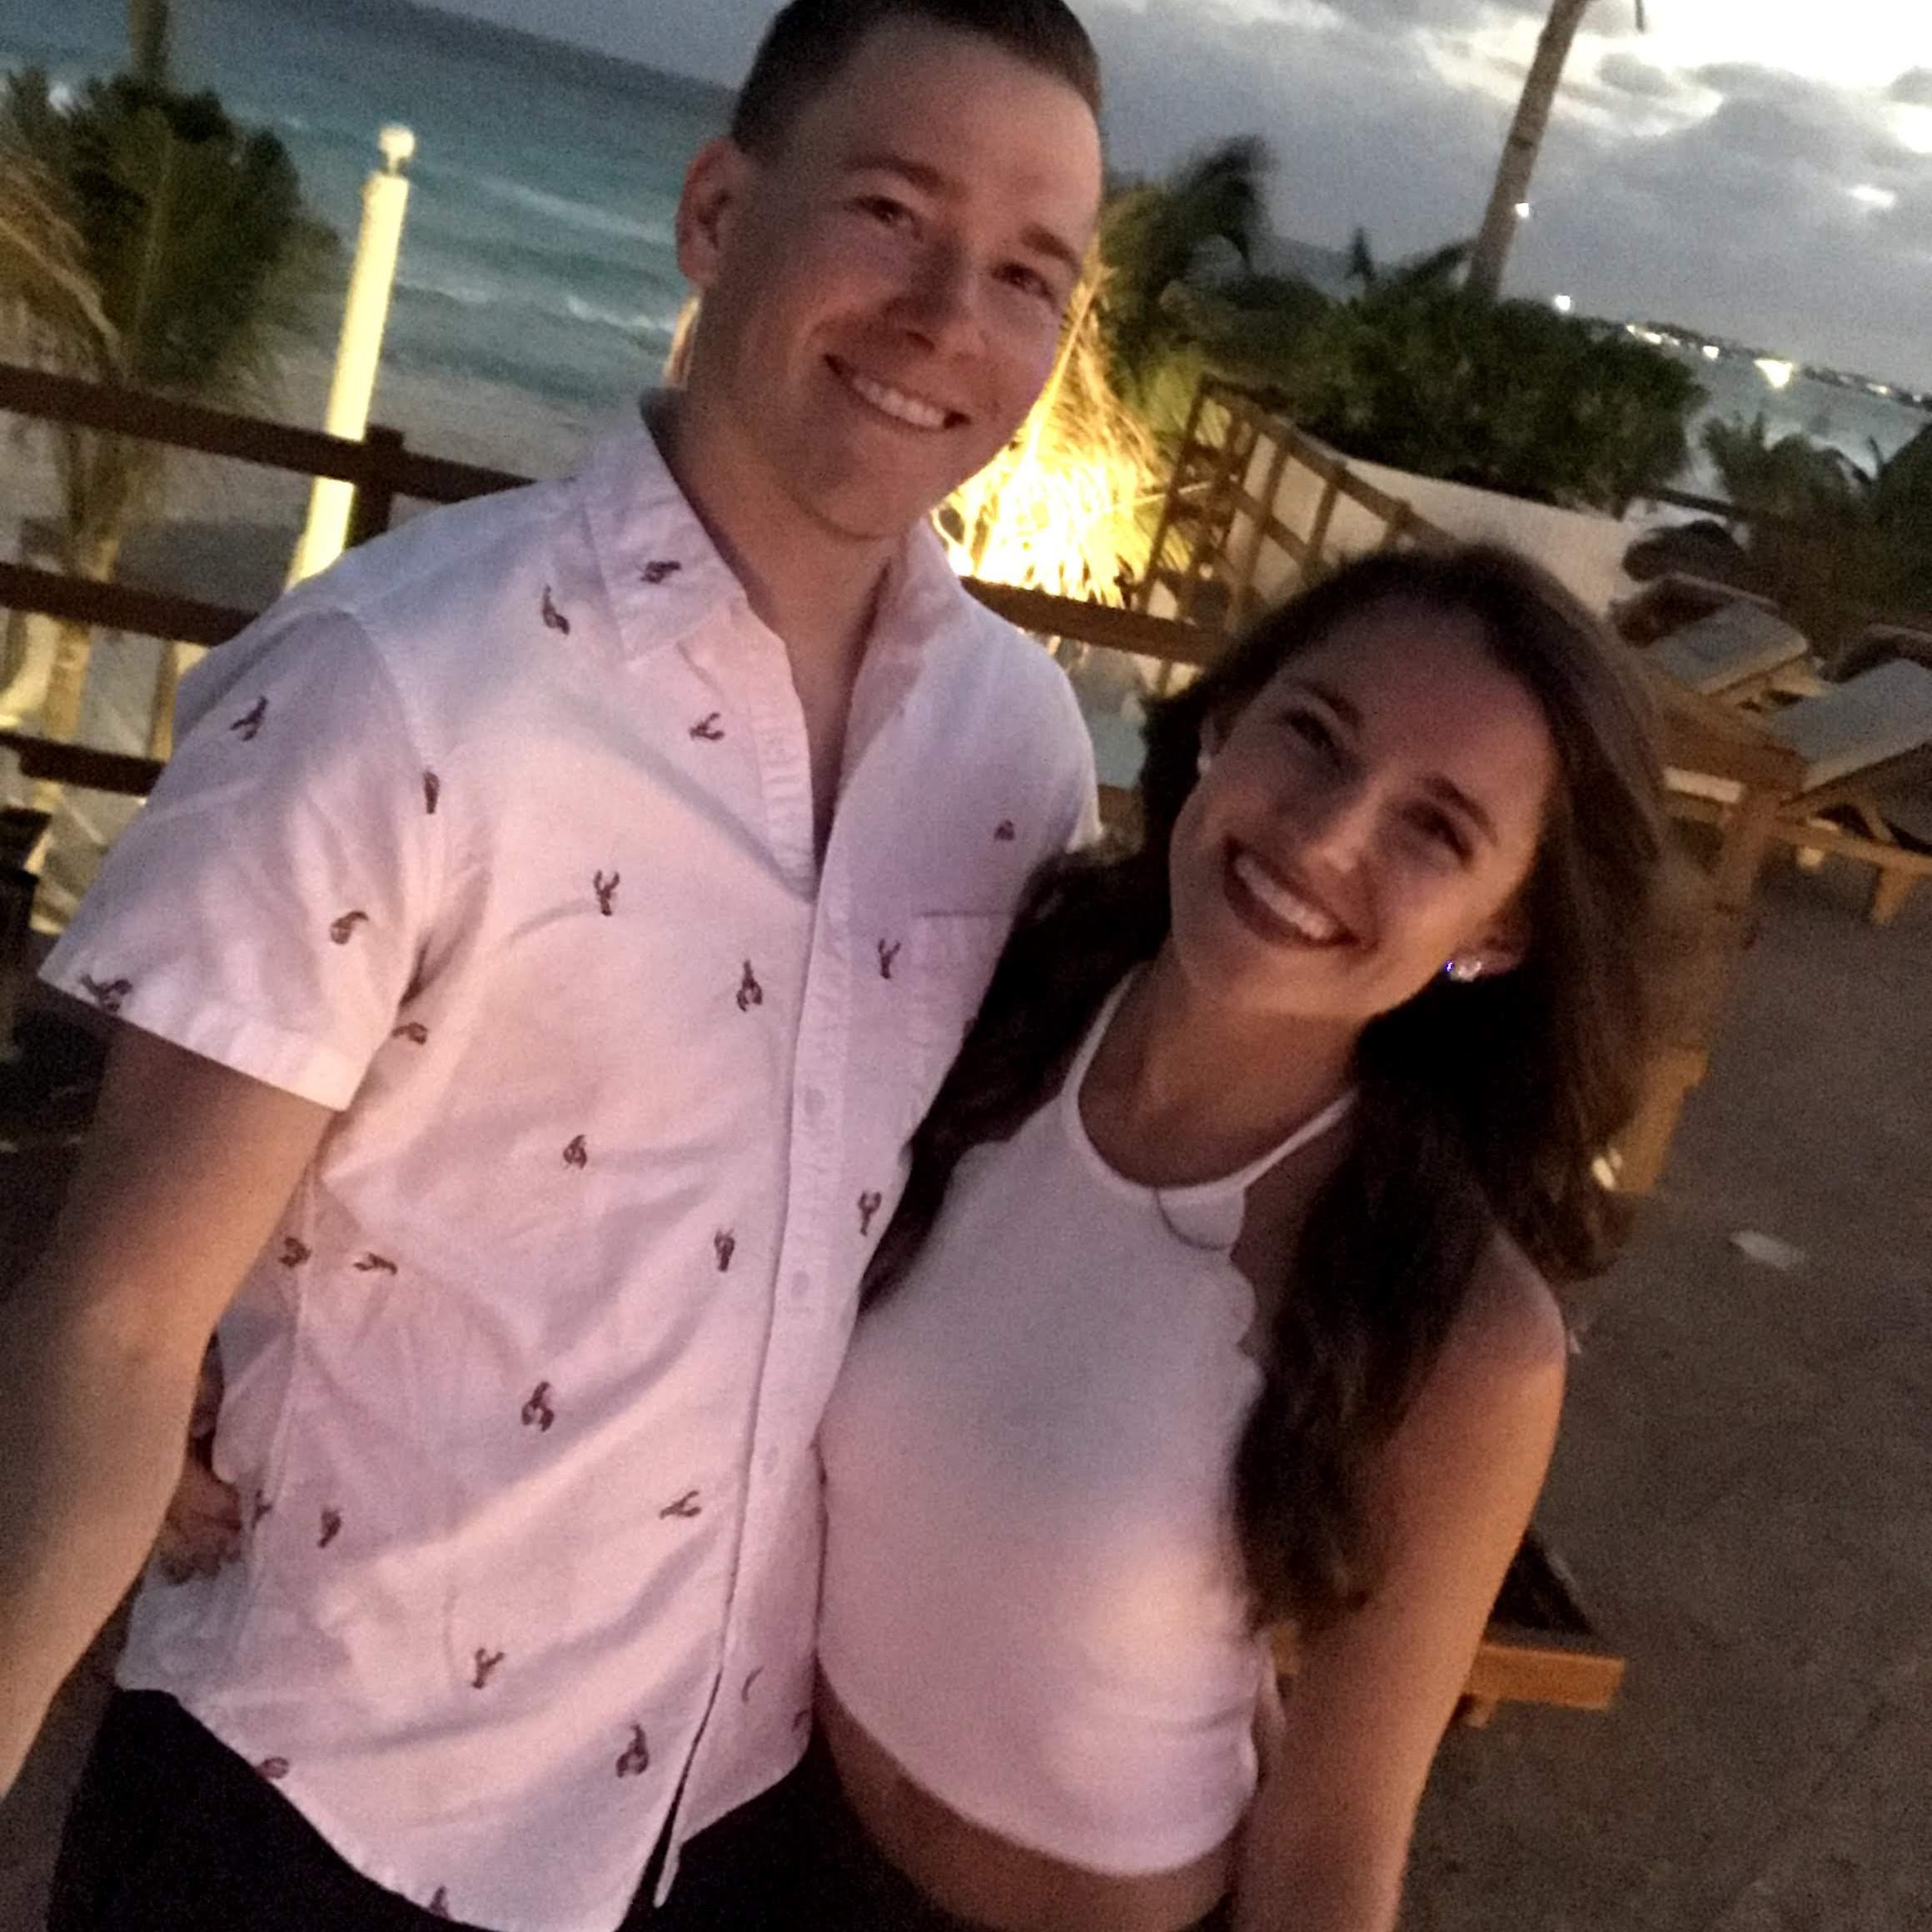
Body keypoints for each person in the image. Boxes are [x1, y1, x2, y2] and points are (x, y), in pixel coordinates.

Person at [0, 3, 1107, 1928]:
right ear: (715, 212)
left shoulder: (1015, 754)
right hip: (323, 1803)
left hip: (727, 1801)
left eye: (1027, 272)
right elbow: (113, 1317)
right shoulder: (400, 680)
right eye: (890, 211)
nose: (947, 315)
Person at [805, 545, 1672, 1932]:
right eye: (1314, 736)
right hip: (766, 1839)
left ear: (1502, 930)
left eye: (1435, 829)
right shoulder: (986, 1004)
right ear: (1225, 719)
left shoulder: (1461, 1333)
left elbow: (1334, 1837)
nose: (1326, 837)